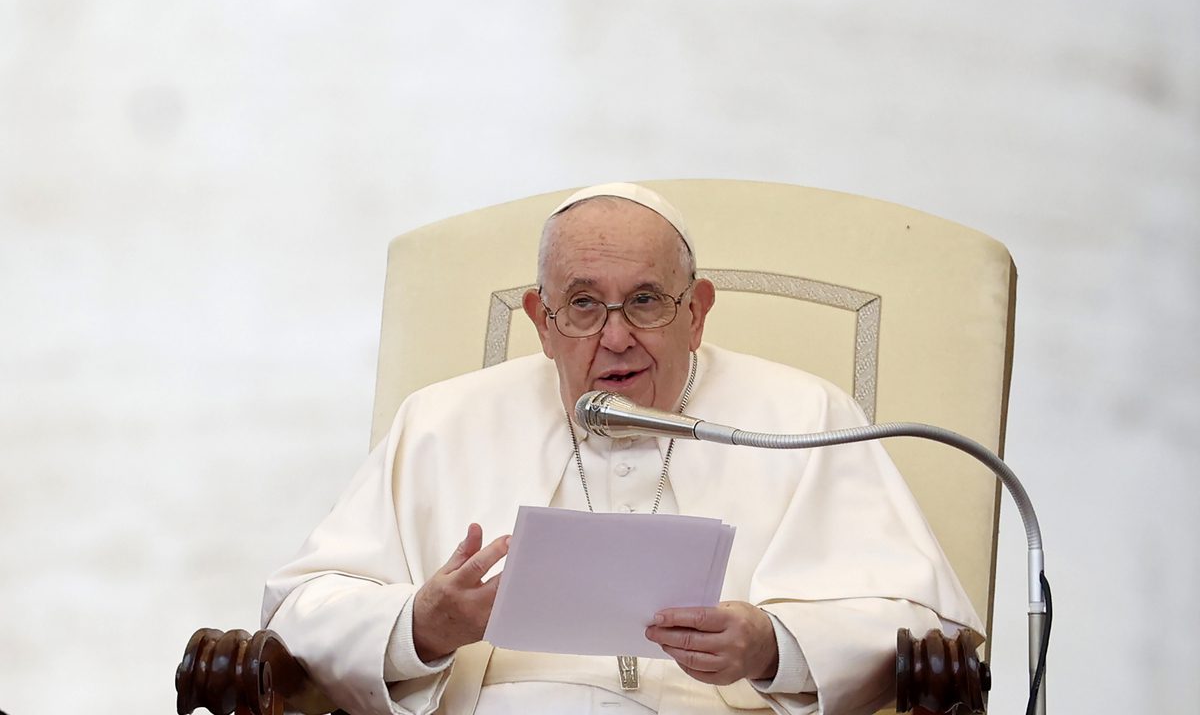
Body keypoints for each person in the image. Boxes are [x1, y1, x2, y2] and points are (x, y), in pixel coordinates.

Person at [262, 183, 983, 715]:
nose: (615, 338)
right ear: (541, 322)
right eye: (582, 305)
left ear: (695, 312)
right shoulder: (441, 421)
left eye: (645, 301)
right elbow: (301, 608)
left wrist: (773, 643)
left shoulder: (802, 414)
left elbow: (928, 629)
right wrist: (422, 623)